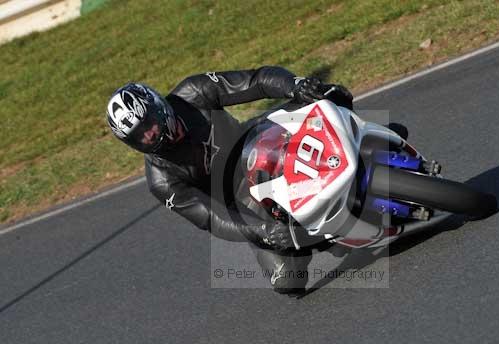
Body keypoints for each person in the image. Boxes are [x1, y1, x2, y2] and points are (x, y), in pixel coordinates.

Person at [106, 66, 354, 295]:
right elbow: (212, 218)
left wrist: (295, 85)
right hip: (243, 205)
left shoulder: (193, 92)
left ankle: (357, 142)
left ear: (158, 107)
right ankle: (321, 237)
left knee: (323, 95)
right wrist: (264, 231)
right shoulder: (161, 181)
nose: (148, 135)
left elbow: (256, 81)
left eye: (147, 124)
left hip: (255, 143)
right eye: (138, 136)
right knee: (288, 281)